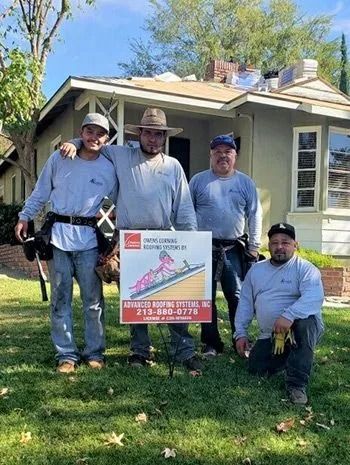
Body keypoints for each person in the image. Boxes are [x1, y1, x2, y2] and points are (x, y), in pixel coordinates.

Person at [61, 107, 202, 373]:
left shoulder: (173, 167)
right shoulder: (122, 155)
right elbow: (95, 142)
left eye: (159, 135)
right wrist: (74, 142)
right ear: (140, 134)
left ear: (164, 137)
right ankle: (139, 351)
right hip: (131, 237)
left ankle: (184, 350)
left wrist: (190, 243)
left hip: (163, 237)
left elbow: (183, 208)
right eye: (148, 133)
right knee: (138, 298)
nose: (153, 139)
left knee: (173, 298)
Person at [15, 113, 118, 373]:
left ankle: (95, 353)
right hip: (58, 238)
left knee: (93, 301)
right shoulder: (59, 158)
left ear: (106, 138)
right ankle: (66, 355)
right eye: (89, 132)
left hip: (90, 241)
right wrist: (24, 216)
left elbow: (120, 200)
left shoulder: (109, 166)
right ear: (81, 132)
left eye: (100, 133)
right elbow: (41, 191)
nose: (94, 137)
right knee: (60, 299)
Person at [235, 223, 324, 405]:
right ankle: (291, 355)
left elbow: (314, 297)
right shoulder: (256, 270)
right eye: (274, 243)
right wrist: (240, 333)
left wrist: (289, 315)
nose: (279, 247)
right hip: (271, 333)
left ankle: (297, 385)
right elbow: (245, 303)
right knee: (256, 368)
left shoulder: (306, 269)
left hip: (299, 326)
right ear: (268, 246)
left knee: (305, 324)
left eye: (285, 242)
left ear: (295, 245)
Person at [189, 134, 262, 357]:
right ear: (211, 155)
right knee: (205, 298)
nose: (223, 156)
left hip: (234, 249)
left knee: (237, 296)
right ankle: (211, 343)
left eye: (228, 152)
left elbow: (255, 214)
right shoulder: (198, 181)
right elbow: (186, 213)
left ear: (235, 156)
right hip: (203, 248)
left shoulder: (245, 183)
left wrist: (254, 245)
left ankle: (240, 340)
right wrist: (189, 243)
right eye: (218, 151)